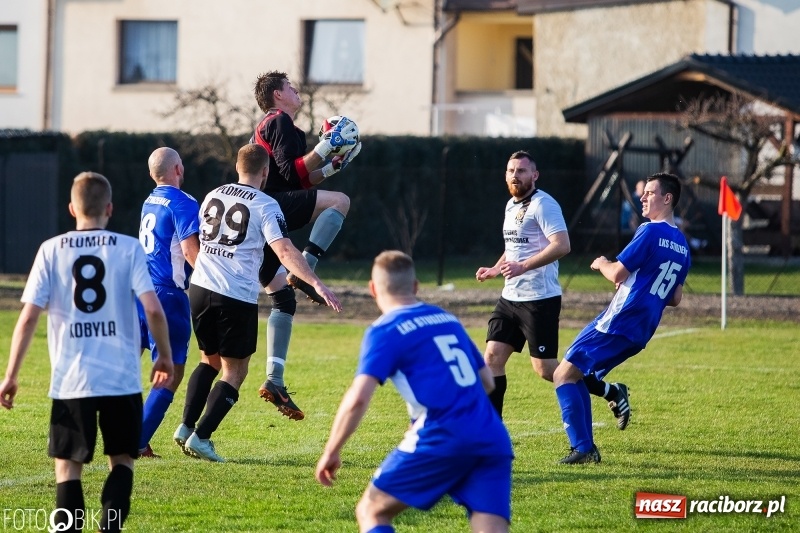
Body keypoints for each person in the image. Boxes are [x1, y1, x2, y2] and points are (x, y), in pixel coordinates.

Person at [0, 172, 174, 533]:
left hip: (71, 379)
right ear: (109, 208)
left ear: (71, 209)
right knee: (122, 461)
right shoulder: (128, 248)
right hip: (121, 377)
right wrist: (165, 356)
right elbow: (154, 310)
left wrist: (11, 375)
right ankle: (110, 528)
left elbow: (29, 317)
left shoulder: (51, 249)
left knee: (67, 468)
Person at [316, 251, 513, 533]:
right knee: (490, 527)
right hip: (491, 434)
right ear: (416, 286)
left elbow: (358, 397)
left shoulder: (385, 330)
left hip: (442, 435)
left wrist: (331, 450)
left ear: (373, 289)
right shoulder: (446, 319)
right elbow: (487, 382)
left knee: (371, 510)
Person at [175, 143, 342, 462]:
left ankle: (184, 428)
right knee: (235, 371)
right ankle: (202, 437)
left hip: (199, 287)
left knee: (208, 360)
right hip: (234, 294)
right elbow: (284, 252)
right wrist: (315, 282)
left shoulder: (214, 194)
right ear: (265, 171)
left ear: (238, 167)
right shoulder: (266, 205)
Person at [553, 172, 691, 464]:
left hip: (620, 319)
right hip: (643, 329)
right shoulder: (682, 245)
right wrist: (641, 283)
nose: (642, 197)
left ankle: (584, 449)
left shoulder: (650, 231)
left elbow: (617, 272)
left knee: (563, 374)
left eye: (650, 193)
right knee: (577, 372)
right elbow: (675, 298)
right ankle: (608, 403)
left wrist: (602, 263)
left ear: (667, 199)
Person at [251, 70, 361, 420]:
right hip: (272, 206)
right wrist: (326, 147)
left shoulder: (283, 126)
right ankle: (307, 269)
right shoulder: (278, 121)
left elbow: (296, 176)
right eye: (291, 88)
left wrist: (331, 164)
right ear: (277, 96)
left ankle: (275, 379)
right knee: (340, 202)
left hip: (269, 208)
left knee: (282, 298)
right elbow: (291, 174)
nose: (297, 92)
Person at [475, 150, 571, 416]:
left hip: (539, 298)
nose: (515, 176)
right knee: (492, 358)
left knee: (547, 370)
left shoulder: (544, 204)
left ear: (534, 175)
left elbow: (562, 245)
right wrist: (496, 268)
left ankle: (608, 390)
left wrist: (523, 267)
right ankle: (491, 433)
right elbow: (514, 247)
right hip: (510, 298)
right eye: (510, 171)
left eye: (521, 171)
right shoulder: (511, 204)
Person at [135, 147, 200, 458]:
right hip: (168, 295)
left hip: (141, 291)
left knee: (132, 368)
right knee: (171, 373)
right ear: (178, 168)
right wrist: (215, 281)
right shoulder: (183, 202)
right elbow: (190, 252)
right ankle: (137, 439)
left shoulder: (150, 200)